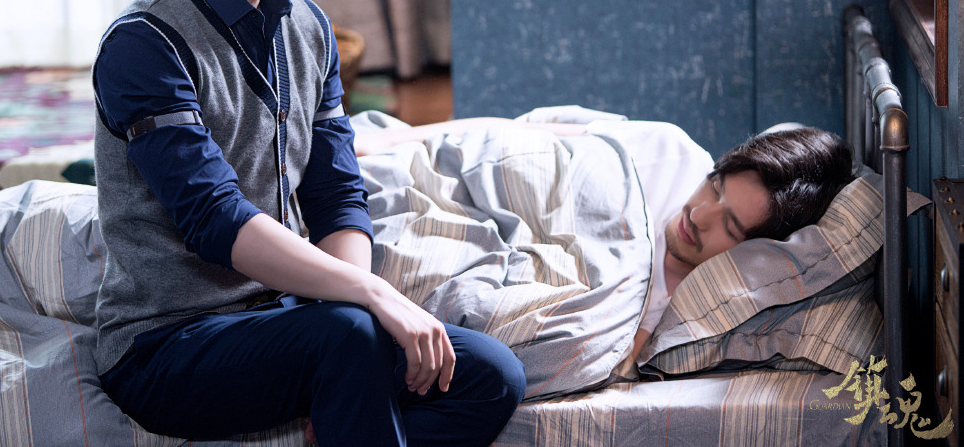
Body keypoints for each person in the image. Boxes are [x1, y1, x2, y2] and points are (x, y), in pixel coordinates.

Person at [91, 0, 525, 446]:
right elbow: (213, 218)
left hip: (291, 317)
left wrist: (348, 295)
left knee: (491, 374)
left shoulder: (310, 28)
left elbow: (335, 194)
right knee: (347, 334)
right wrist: (370, 295)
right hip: (167, 345)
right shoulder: (144, 44)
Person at [353, 118, 855, 361]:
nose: (698, 215)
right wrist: (396, 139)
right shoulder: (669, 149)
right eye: (716, 186)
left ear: (757, 249)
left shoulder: (690, 306)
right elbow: (520, 135)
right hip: (449, 183)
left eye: (730, 226)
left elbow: (589, 353)